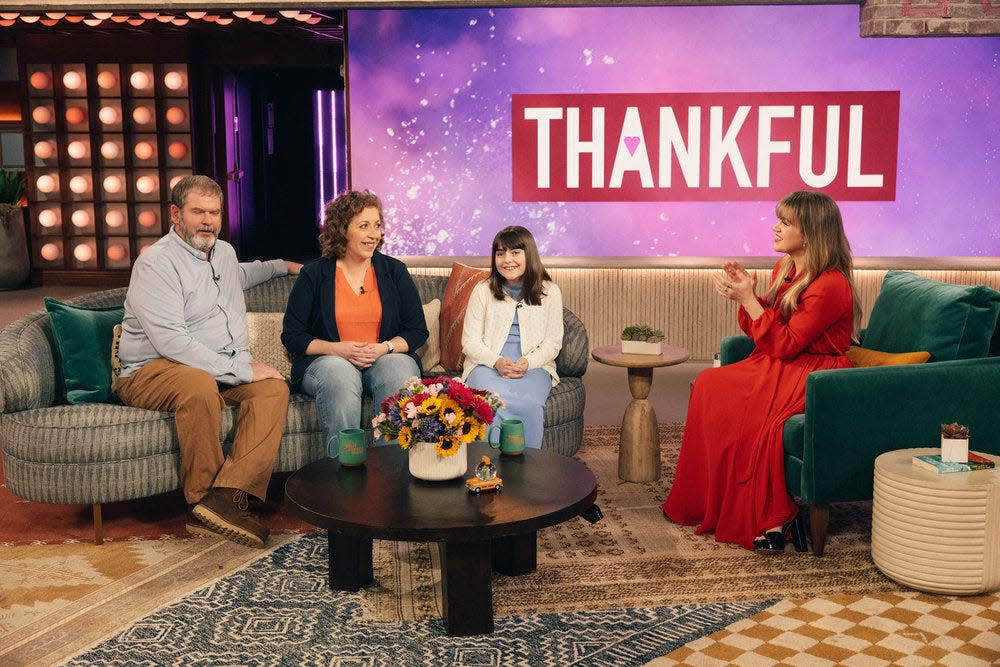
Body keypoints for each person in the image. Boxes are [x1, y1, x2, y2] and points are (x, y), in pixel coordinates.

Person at [661, 191, 860, 553]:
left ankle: (765, 512)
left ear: (811, 233)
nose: (775, 227)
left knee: (744, 410)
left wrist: (749, 300)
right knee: (709, 383)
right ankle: (707, 501)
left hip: (813, 372)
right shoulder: (785, 268)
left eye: (786, 222)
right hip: (781, 362)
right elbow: (763, 329)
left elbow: (786, 343)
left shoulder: (831, 284)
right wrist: (747, 294)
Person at [116, 175, 302, 549]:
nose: (207, 220)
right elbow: (172, 342)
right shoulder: (156, 263)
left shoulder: (224, 253)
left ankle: (225, 499)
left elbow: (243, 273)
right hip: (151, 371)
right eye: (197, 211)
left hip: (213, 368)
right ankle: (199, 497)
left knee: (272, 388)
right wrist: (241, 369)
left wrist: (283, 265)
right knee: (199, 384)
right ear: (175, 214)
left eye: (214, 212)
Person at [281, 190, 427, 455]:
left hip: (383, 358)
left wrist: (385, 348)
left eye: (377, 225)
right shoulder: (314, 274)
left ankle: (389, 474)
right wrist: (338, 349)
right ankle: (343, 476)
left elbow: (417, 329)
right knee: (340, 372)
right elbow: (292, 335)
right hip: (328, 363)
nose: (374, 234)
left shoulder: (394, 271)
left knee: (397, 369)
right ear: (342, 230)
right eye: (364, 226)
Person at [461, 225, 563, 449]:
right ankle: (488, 469)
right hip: (486, 365)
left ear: (530, 255)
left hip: (534, 367)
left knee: (529, 404)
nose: (507, 260)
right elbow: (469, 342)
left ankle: (526, 472)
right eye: (500, 253)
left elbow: (553, 343)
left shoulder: (550, 291)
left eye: (515, 252)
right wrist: (496, 361)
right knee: (489, 403)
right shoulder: (482, 290)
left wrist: (528, 362)